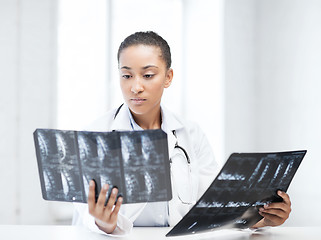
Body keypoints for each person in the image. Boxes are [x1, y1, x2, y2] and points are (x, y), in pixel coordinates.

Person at [72, 31, 292, 236]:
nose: (135, 87)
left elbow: (213, 206)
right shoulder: (95, 135)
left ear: (168, 77)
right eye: (126, 76)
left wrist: (261, 219)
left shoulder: (190, 134)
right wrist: (104, 223)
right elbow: (85, 212)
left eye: (147, 75)